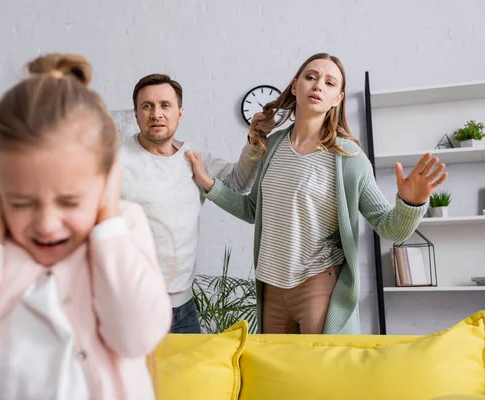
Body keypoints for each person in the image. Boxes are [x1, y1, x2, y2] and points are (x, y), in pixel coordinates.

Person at [0, 53, 171, 400]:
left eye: (70, 202)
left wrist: (107, 222)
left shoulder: (121, 227)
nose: (46, 224)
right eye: (21, 203)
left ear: (107, 184)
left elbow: (137, 335)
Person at [186, 53, 448, 335]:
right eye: (311, 77)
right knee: (278, 376)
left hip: (317, 285)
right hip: (270, 286)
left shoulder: (348, 156)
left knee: (321, 374)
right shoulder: (272, 146)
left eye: (329, 82)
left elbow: (390, 228)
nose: (318, 85)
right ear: (295, 85)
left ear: (338, 98)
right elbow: (252, 210)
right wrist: (208, 183)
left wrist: (412, 203)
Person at [119, 73, 258, 333]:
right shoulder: (114, 160)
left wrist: (255, 142)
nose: (156, 113)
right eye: (147, 106)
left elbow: (239, 184)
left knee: (189, 374)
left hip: (183, 307)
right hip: (131, 307)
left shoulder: (193, 158)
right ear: (136, 114)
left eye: (165, 105)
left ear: (179, 113)